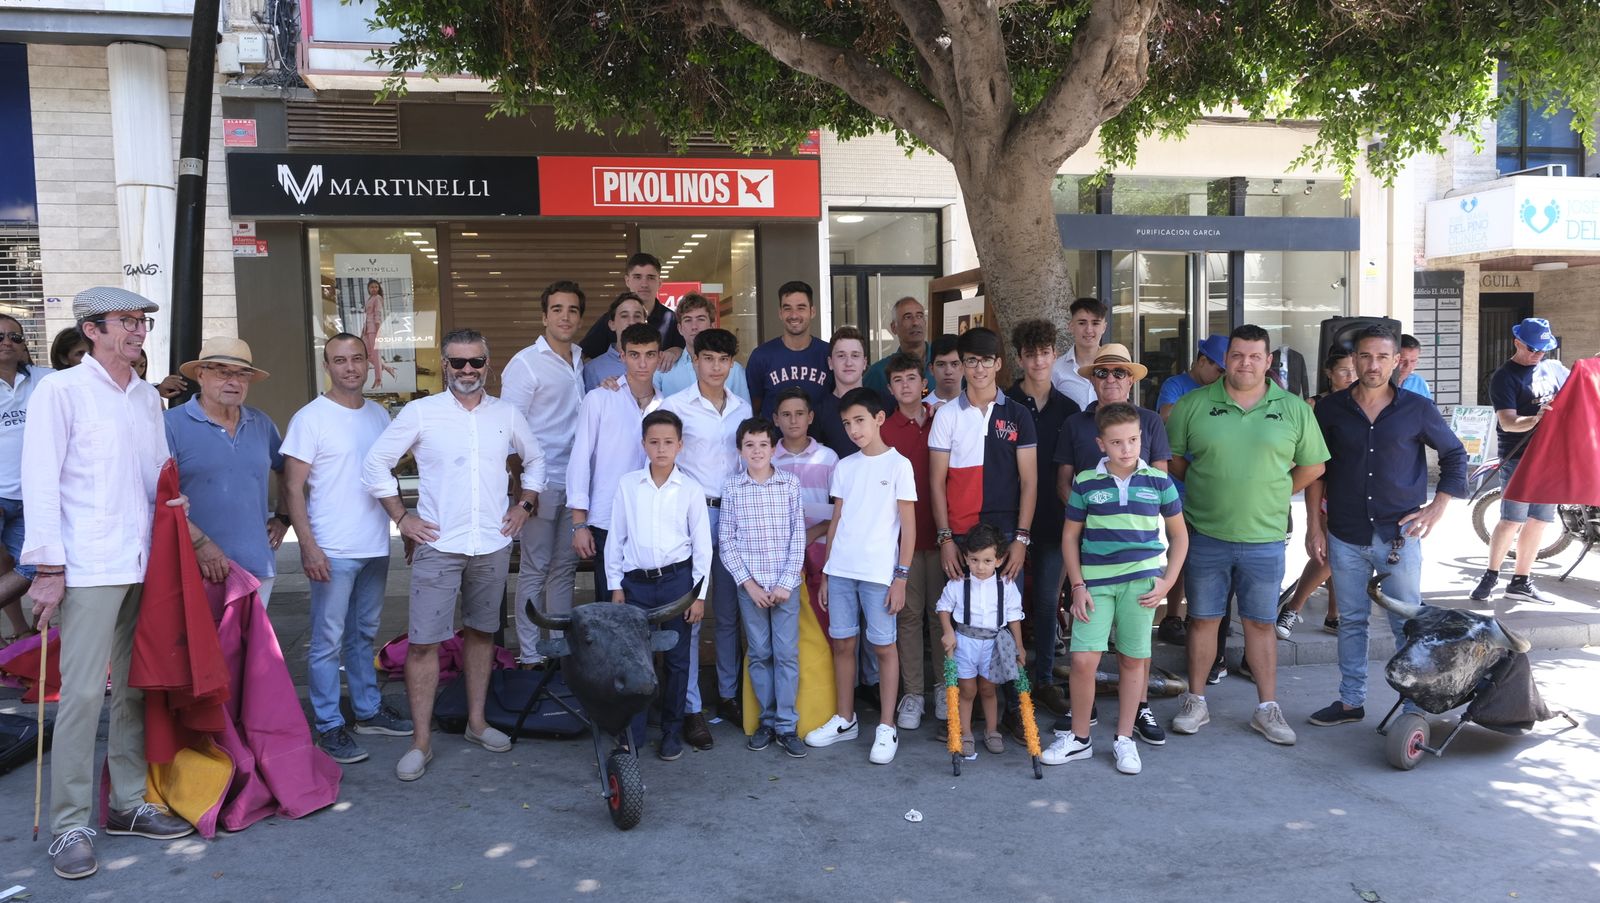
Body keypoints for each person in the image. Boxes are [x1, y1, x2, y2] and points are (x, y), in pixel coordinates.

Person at [23, 287, 197, 880]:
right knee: (78, 696)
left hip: (143, 560)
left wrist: (175, 506)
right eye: (127, 322)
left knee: (133, 688)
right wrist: (48, 569)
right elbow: (40, 480)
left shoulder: (147, 397)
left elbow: (155, 474)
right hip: (88, 563)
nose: (139, 332)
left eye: (143, 323)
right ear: (92, 329)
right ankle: (71, 822)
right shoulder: (60, 390)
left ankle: (126, 803)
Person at [363, 328, 546, 782]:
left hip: (492, 542)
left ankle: (477, 723)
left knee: (483, 634)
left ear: (489, 364)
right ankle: (421, 742)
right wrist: (401, 519)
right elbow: (374, 464)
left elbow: (537, 461)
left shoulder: (506, 414)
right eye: (458, 363)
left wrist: (523, 505)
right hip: (439, 545)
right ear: (444, 365)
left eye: (476, 362)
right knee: (424, 643)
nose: (468, 371)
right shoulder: (421, 413)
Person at [1166, 325, 1328, 747]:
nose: (1245, 363)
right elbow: (1176, 461)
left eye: (1255, 356)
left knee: (1260, 624)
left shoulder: (1294, 409)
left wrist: (1272, 489)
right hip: (1205, 533)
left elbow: (1313, 467)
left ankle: (1266, 709)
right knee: (1202, 619)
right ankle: (1195, 699)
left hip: (1265, 537)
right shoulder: (1192, 405)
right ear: (1226, 359)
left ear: (1268, 360)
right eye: (1237, 355)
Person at [1304, 326, 1467, 727]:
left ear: (1396, 361)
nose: (1372, 365)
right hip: (1345, 532)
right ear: (1353, 360)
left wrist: (1437, 508)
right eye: (1365, 356)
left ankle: (1413, 705)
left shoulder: (1417, 408)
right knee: (1352, 621)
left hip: (1400, 535)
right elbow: (1316, 471)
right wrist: (1313, 526)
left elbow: (1455, 456)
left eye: (1381, 357)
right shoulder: (1330, 409)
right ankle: (1350, 701)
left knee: (1406, 621)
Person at [281, 333, 413, 765]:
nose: (350, 367)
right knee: (326, 641)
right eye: (340, 360)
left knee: (362, 636)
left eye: (358, 358)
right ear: (328, 366)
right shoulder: (310, 418)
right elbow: (293, 488)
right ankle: (328, 724)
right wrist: (308, 546)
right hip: (332, 548)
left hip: (375, 544)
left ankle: (368, 710)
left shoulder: (378, 416)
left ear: (368, 361)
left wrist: (403, 527)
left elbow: (387, 480)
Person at [1047, 403, 1187, 775]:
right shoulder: (1085, 482)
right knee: (1082, 660)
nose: (1127, 449)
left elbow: (1179, 536)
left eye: (1133, 440)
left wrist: (1167, 581)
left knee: (1131, 660)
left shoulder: (1159, 481)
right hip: (1095, 584)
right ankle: (1079, 739)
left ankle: (1124, 739)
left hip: (1141, 584)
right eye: (1117, 442)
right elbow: (1070, 537)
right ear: (1100, 443)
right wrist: (1077, 585)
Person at [1051, 343, 1171, 743]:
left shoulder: (1151, 421)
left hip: (1137, 552)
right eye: (1102, 373)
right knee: (1086, 648)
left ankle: (1139, 710)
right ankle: (1083, 720)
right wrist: (1090, 516)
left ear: (1132, 379)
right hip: (1091, 545)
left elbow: (1159, 484)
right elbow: (1065, 480)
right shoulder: (1075, 423)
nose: (1111, 380)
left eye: (1119, 373)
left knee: (1134, 648)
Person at [806, 388, 916, 764]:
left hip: (879, 574)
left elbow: (908, 527)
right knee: (842, 644)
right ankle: (845, 718)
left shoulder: (899, 465)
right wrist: (825, 573)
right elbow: (836, 519)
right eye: (847, 423)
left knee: (884, 646)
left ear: (879, 419)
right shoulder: (845, 467)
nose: (854, 429)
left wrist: (901, 577)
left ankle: (887, 725)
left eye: (860, 420)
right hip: (840, 573)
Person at [662, 328, 752, 748]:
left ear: (731, 365)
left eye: (723, 360)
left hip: (733, 516)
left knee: (730, 612)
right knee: (692, 613)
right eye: (708, 358)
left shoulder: (742, 409)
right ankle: (691, 706)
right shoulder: (675, 407)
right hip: (691, 518)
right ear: (695, 361)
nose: (715, 367)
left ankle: (730, 695)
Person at [606, 409, 711, 760]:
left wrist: (699, 596)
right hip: (636, 585)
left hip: (678, 584)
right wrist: (615, 586)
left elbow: (702, 547)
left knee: (678, 661)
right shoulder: (628, 485)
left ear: (680, 445)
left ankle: (671, 732)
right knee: (637, 660)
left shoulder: (691, 489)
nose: (661, 449)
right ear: (643, 445)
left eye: (668, 442)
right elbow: (615, 539)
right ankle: (632, 735)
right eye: (654, 442)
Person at [501, 280, 587, 666]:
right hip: (540, 482)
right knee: (535, 567)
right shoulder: (524, 364)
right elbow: (507, 433)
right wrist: (523, 491)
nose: (565, 317)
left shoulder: (581, 358)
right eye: (557, 309)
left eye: (571, 310)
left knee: (565, 567)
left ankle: (560, 651)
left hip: (577, 481)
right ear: (544, 316)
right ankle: (532, 655)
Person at [165, 338, 287, 605]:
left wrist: (283, 517)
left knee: (252, 646)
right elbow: (159, 497)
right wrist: (200, 545)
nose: (234, 381)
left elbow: (286, 469)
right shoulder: (170, 426)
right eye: (222, 371)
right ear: (200, 375)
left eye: (242, 374)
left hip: (256, 565)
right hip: (195, 567)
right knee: (202, 647)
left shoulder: (262, 423)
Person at [1005, 319, 1081, 717]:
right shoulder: (1003, 404)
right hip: (1010, 519)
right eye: (1030, 353)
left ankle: (1046, 679)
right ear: (1020, 358)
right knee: (1010, 603)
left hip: (1054, 520)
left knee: (1050, 601)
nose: (1038, 360)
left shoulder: (1069, 408)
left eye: (1045, 352)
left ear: (1055, 355)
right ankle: (1013, 683)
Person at [718, 417, 806, 757]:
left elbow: (797, 536)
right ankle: (766, 721)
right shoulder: (732, 488)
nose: (756, 451)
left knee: (785, 654)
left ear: (774, 448)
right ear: (740, 450)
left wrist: (785, 582)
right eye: (749, 445)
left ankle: (787, 724)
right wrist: (749, 584)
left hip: (785, 586)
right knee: (759, 653)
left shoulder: (789, 484)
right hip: (750, 586)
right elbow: (727, 541)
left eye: (763, 445)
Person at [1474, 317, 1569, 604]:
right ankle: (1491, 574)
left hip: (1550, 458)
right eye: (1532, 348)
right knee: (1511, 520)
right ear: (1517, 342)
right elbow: (1508, 422)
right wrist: (1537, 419)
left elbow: (1579, 388)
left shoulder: (1553, 368)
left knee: (1540, 521)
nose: (1538, 354)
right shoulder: (1504, 376)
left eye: (1543, 349)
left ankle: (1521, 580)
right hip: (1518, 457)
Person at [569, 324, 665, 604]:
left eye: (650, 354)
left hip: (653, 521)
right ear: (621, 356)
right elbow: (579, 461)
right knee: (611, 610)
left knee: (650, 609)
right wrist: (579, 524)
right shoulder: (599, 399)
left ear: (659, 357)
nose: (643, 363)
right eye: (635, 354)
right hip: (606, 519)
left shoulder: (669, 406)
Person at [1276, 345, 1359, 638]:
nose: (1350, 376)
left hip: (1358, 487)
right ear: (1328, 373)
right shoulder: (1313, 405)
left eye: (1354, 369)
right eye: (1343, 370)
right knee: (1332, 551)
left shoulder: (1365, 401)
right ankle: (1293, 607)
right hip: (1324, 483)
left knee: (1342, 553)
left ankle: (1334, 614)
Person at [879, 352, 943, 727]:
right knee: (907, 616)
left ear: (925, 383)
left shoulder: (942, 421)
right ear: (890, 388)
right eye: (898, 380)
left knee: (941, 616)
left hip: (940, 536)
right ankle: (913, 694)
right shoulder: (884, 429)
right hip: (901, 539)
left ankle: (942, 689)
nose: (906, 385)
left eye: (912, 378)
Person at [1152, 333, 1228, 647]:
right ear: (1201, 361)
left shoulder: (1221, 389)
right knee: (1180, 550)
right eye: (1219, 370)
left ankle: (1202, 616)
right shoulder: (1177, 385)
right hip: (1180, 483)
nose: (1222, 377)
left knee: (1207, 554)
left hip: (1212, 483)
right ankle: (1172, 615)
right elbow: (1165, 415)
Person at [937, 522, 1025, 758]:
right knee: (966, 689)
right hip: (965, 641)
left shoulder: (1006, 585)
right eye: (974, 560)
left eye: (987, 561)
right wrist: (947, 631)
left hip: (994, 644)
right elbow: (943, 607)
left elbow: (1014, 616)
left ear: (999, 559)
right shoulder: (957, 584)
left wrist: (1019, 645)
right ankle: (965, 732)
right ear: (966, 558)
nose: (980, 567)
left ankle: (992, 729)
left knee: (988, 688)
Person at [1, 314, 48, 644]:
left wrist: (154, 387)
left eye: (15, 337)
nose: (7, 342)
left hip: (31, 498)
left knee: (39, 566)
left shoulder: (46, 379)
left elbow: (97, 385)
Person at [771, 386, 838, 609]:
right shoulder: (767, 460)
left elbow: (841, 511)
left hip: (820, 548)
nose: (793, 420)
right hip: (779, 553)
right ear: (775, 419)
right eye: (786, 414)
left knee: (820, 612)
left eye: (799, 414)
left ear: (810, 417)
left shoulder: (828, 458)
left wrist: (814, 532)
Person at [578, 252, 685, 371]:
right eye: (637, 277)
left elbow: (691, 353)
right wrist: (599, 376)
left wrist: (677, 350)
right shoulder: (611, 320)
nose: (644, 284)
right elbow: (584, 355)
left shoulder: (671, 319)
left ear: (659, 283)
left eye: (650, 277)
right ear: (627, 280)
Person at [746, 280, 830, 417]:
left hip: (821, 438)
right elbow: (753, 408)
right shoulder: (761, 356)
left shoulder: (828, 354)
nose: (794, 315)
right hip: (773, 437)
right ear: (780, 313)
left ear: (812, 311)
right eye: (787, 308)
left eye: (801, 308)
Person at [654, 292, 751, 403]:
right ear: (680, 329)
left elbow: (743, 414)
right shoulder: (664, 369)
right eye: (688, 320)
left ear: (712, 325)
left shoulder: (734, 370)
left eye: (700, 319)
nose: (694, 326)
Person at [813, 325, 870, 457]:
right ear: (830, 363)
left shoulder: (884, 405)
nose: (848, 362)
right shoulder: (818, 413)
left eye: (855, 355)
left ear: (864, 362)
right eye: (841, 356)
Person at [863, 296, 931, 398]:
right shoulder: (878, 373)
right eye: (907, 317)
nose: (916, 322)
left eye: (920, 316)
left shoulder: (945, 363)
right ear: (894, 328)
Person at [582, 292, 648, 392]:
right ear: (612, 324)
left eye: (637, 316)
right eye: (624, 316)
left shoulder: (658, 364)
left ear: (645, 323)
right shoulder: (592, 369)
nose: (631, 322)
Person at [1049, 298, 1107, 409]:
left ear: (1104, 327)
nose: (1089, 330)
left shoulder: (1114, 369)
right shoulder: (1055, 370)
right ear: (1071, 326)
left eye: (1095, 323)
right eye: (1082, 323)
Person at [360, 279, 398, 389]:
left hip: (374, 329)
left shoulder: (378, 298)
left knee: (376, 355)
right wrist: (363, 330)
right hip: (367, 329)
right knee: (366, 354)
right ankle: (387, 368)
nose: (374, 289)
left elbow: (378, 314)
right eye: (372, 287)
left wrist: (378, 330)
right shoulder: (369, 299)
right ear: (368, 288)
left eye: (376, 287)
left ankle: (378, 380)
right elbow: (367, 316)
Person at [925, 333, 964, 411]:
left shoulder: (978, 407)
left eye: (955, 364)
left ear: (964, 367)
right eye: (941, 364)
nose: (948, 371)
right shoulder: (921, 410)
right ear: (931, 369)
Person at [1396, 333, 1433, 400]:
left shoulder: (1419, 382)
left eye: (1413, 361)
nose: (1408, 366)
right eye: (1402, 360)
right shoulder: (1378, 382)